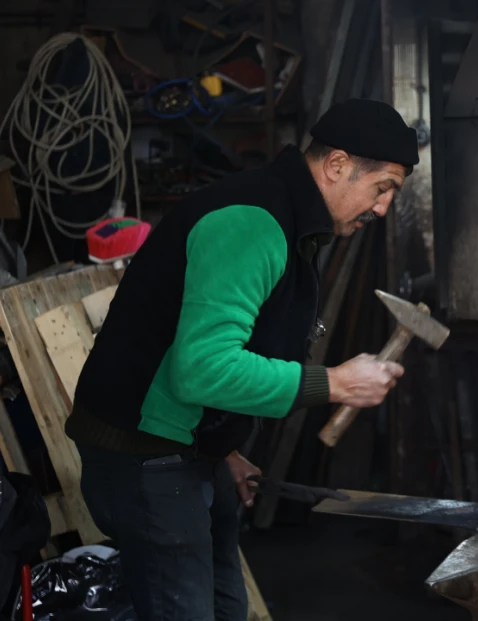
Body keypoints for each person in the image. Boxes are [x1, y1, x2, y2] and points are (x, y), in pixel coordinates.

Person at [64, 99, 419, 620]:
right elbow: (202, 367)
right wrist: (334, 384)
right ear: (338, 165)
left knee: (229, 607)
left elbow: (229, 346)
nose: (383, 208)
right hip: (144, 456)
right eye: (382, 188)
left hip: (190, 447)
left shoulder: (291, 218)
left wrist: (222, 445)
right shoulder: (253, 222)